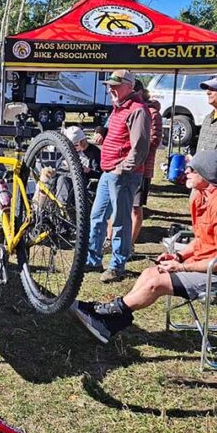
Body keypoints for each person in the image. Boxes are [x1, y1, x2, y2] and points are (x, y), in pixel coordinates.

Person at [70, 151, 217, 345]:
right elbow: (201, 240)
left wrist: (182, 268)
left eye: (192, 169)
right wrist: (178, 256)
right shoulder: (201, 197)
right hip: (212, 265)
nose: (186, 171)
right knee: (151, 272)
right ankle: (111, 320)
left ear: (207, 174)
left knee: (156, 283)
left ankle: (108, 314)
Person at [85, 70, 150, 283]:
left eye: (116, 85)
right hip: (109, 172)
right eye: (109, 85)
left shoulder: (137, 110)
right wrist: (101, 132)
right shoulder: (118, 108)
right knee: (97, 216)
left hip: (123, 175)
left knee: (120, 221)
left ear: (130, 87)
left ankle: (117, 266)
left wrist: (123, 168)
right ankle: (93, 259)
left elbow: (140, 148)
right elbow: (109, 129)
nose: (111, 89)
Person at [131, 80, 163, 249]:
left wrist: (133, 149)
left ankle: (130, 243)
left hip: (142, 168)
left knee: (136, 207)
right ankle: (110, 240)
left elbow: (155, 140)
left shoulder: (153, 113)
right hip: (123, 167)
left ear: (140, 92)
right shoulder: (126, 109)